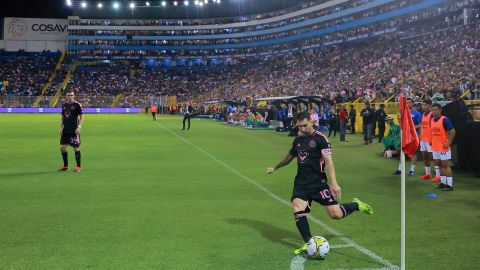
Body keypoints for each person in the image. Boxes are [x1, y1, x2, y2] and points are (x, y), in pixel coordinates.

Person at [266, 111, 373, 255]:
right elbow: (289, 157)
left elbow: (329, 162)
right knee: (297, 207)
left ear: (312, 122)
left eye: (305, 125)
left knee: (335, 214)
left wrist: (334, 183)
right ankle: (309, 243)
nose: (302, 129)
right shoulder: (298, 140)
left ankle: (356, 205)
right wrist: (275, 167)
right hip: (301, 184)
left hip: (319, 184)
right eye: (299, 127)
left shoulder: (321, 139)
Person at [430, 103, 456, 191]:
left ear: (440, 110)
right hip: (435, 147)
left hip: (443, 147)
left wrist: (449, 143)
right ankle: (443, 183)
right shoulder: (432, 120)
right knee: (439, 165)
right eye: (432, 110)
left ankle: (449, 185)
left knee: (445, 165)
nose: (434, 111)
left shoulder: (445, 120)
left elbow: (453, 131)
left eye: (436, 109)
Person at [394, 98, 422, 175]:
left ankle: (412, 170)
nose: (408, 104)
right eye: (407, 102)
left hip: (413, 136)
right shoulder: (403, 113)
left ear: (413, 104)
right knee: (402, 151)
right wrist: (399, 119)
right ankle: (400, 169)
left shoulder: (417, 113)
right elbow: (401, 126)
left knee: (413, 153)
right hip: (405, 136)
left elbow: (420, 124)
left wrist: (411, 129)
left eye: (410, 102)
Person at [58, 90, 84, 172]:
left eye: (71, 95)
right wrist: (60, 127)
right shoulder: (64, 105)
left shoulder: (77, 105)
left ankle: (78, 166)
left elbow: (82, 117)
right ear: (66, 96)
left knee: (76, 148)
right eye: (68, 95)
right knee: (62, 148)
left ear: (74, 96)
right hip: (65, 130)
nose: (70, 96)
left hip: (74, 131)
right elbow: (62, 117)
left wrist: (79, 127)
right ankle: (66, 166)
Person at [418, 100, 441, 181]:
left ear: (430, 106)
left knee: (434, 157)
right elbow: (422, 125)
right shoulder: (423, 114)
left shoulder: (432, 114)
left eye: (426, 105)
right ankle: (428, 174)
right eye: (423, 104)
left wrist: (433, 139)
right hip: (423, 139)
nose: (424, 106)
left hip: (430, 140)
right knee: (424, 156)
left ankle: (438, 175)